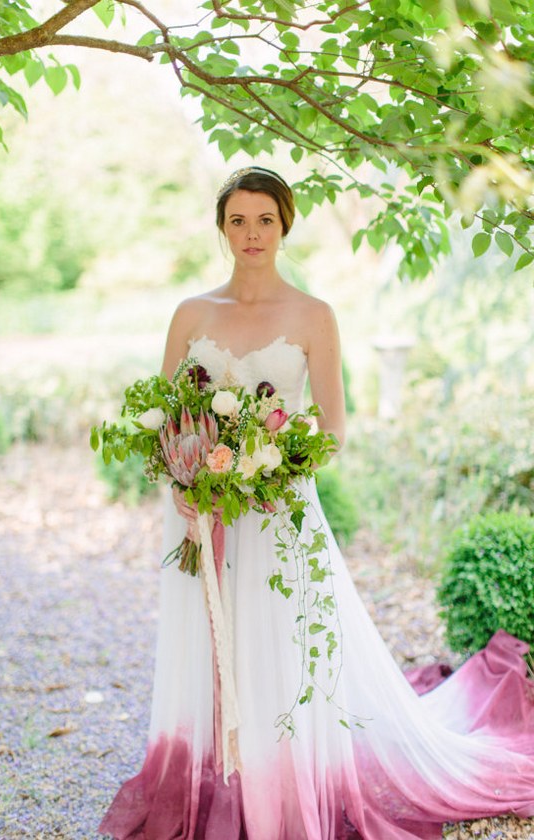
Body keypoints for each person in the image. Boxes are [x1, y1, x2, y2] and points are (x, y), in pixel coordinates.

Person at [99, 167, 534, 840]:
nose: (252, 234)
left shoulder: (313, 315)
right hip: (200, 515)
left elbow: (332, 431)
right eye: (239, 220)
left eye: (265, 220)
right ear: (221, 228)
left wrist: (262, 469)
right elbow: (165, 420)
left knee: (280, 642)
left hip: (277, 512)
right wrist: (184, 483)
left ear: (285, 226)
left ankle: (278, 784)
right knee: (211, 643)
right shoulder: (190, 313)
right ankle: (213, 775)